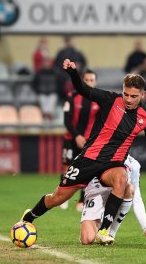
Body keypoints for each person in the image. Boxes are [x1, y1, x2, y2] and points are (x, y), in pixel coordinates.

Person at [21, 58, 146, 245]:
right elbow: (84, 90)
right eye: (126, 94)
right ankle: (29, 217)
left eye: (133, 96)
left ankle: (104, 230)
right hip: (88, 159)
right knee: (57, 198)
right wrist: (74, 73)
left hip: (112, 164)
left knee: (121, 178)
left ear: (143, 95)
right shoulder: (110, 99)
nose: (129, 99)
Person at [80, 155, 146, 244]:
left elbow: (137, 198)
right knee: (87, 239)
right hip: (96, 194)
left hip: (115, 198)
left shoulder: (134, 164)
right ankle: (99, 224)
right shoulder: (97, 153)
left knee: (129, 188)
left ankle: (110, 234)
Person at [60, 69, 99, 211]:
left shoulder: (98, 100)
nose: (89, 82)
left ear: (95, 82)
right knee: (66, 167)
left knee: (86, 169)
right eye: (86, 80)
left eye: (91, 80)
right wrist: (77, 135)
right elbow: (67, 119)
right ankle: (63, 196)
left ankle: (82, 200)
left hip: (88, 141)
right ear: (82, 81)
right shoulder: (72, 96)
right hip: (71, 138)